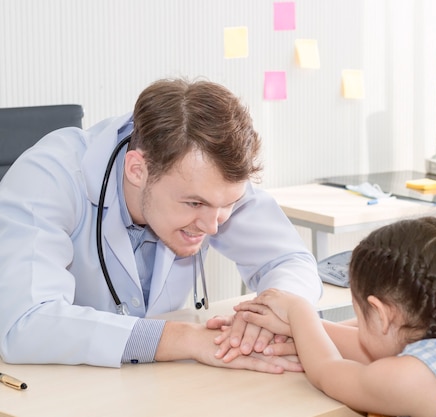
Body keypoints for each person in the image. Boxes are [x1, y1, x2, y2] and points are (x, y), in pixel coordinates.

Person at [0, 78, 322, 370]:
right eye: (194, 204)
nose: (213, 226)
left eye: (228, 205)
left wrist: (272, 312)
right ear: (137, 170)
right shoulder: (50, 177)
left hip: (153, 383)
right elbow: (25, 322)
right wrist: (183, 338)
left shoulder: (210, 179)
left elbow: (289, 260)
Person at [236, 216, 436, 417]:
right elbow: (383, 344)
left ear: (381, 314)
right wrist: (304, 328)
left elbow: (327, 372)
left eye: (360, 314)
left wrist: (299, 309)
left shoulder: (412, 376)